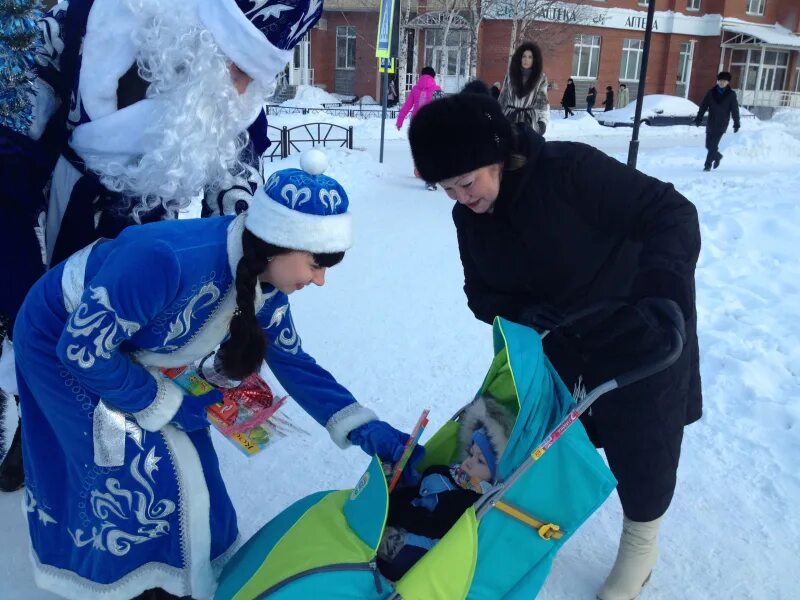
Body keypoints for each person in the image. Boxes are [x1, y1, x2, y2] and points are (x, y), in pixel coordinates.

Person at [11, 151, 423, 600]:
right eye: (316, 263)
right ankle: (137, 584)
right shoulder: (165, 260)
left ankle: (192, 573)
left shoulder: (263, 284)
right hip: (58, 339)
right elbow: (81, 349)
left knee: (195, 464)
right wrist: (159, 399)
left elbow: (295, 362)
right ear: (276, 244)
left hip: (121, 345)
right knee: (126, 460)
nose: (320, 280)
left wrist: (364, 427)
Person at [0, 0, 323, 492]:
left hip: (153, 231)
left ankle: (119, 449)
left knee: (135, 346)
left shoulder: (230, 95)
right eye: (236, 65)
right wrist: (23, 297)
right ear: (200, 31)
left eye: (253, 77)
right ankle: (38, 425)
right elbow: (11, 157)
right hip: (60, 214)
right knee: (57, 335)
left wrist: (248, 287)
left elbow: (238, 183)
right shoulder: (84, 22)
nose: (239, 89)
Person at [408, 90, 701, 600]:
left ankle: (640, 545)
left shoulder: (572, 172)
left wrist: (661, 290)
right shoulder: (469, 217)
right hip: (560, 348)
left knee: (643, 444)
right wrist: (520, 313)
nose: (460, 197)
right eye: (446, 188)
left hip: (637, 329)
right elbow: (479, 293)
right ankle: (535, 524)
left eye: (466, 181)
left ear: (495, 154)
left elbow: (672, 212)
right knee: (547, 446)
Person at [377, 395, 514, 581]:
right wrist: (397, 480)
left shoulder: (470, 502)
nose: (469, 463)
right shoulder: (448, 471)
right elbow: (419, 486)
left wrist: (400, 540)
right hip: (394, 517)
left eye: (480, 461)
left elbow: (441, 542)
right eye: (471, 454)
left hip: (410, 544)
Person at [398, 67, 443, 191]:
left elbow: (407, 106)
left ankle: (420, 170)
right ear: (433, 77)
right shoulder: (437, 90)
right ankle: (430, 180)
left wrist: (399, 121)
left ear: (421, 76)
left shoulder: (415, 89)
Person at [497, 42, 550, 135]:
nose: (526, 60)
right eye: (524, 56)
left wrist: (542, 123)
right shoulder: (510, 76)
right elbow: (502, 99)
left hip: (529, 123)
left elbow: (543, 104)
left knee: (527, 148)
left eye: (530, 57)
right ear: (519, 58)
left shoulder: (540, 79)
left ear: (534, 59)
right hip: (509, 120)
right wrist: (497, 117)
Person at [694, 71, 740, 172]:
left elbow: (735, 110)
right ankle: (718, 156)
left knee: (713, 145)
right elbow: (703, 106)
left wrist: (737, 123)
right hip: (711, 122)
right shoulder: (711, 92)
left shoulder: (731, 95)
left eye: (724, 81)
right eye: (720, 81)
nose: (722, 83)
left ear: (727, 82)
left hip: (722, 124)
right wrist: (699, 118)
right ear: (718, 81)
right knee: (708, 145)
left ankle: (707, 165)